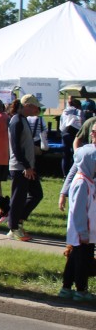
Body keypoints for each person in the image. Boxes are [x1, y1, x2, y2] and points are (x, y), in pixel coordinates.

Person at [58, 145, 96, 302]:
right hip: (82, 232)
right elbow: (78, 211)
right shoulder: (81, 183)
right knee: (83, 261)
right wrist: (83, 232)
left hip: (85, 231)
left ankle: (66, 288)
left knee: (74, 259)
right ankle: (81, 290)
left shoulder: (88, 180)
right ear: (88, 162)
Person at [7, 95, 43, 241]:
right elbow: (15, 147)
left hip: (27, 166)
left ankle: (18, 221)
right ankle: (13, 228)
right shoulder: (16, 121)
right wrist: (26, 166)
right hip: (20, 167)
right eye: (35, 107)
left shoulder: (24, 120)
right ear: (27, 106)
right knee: (18, 198)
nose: (37, 110)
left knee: (36, 194)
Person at [60, 98, 82, 177]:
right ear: (78, 105)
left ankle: (65, 175)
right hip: (74, 134)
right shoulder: (78, 111)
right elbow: (81, 122)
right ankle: (72, 174)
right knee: (75, 154)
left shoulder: (65, 111)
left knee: (66, 155)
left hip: (64, 133)